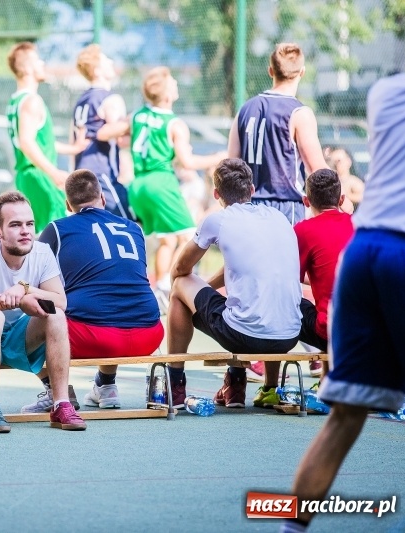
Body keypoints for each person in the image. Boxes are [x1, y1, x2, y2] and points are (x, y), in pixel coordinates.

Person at [283, 63, 405, 533]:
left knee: (345, 417)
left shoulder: (385, 91)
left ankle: (291, 528)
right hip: (404, 250)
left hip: (365, 250)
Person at [165, 158, 301, 409]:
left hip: (243, 335)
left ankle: (174, 384)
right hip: (289, 336)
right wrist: (208, 289)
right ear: (252, 189)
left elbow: (180, 270)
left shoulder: (217, 220)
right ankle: (261, 387)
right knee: (249, 297)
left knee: (180, 286)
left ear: (216, 194)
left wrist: (193, 295)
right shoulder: (279, 217)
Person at [22, 170, 162, 411]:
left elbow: (30, 275)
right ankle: (106, 384)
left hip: (92, 337)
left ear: (68, 205)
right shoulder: (133, 228)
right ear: (103, 198)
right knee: (110, 295)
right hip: (149, 334)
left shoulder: (58, 229)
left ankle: (56, 389)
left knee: (29, 314)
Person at [0, 191, 86, 432]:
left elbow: (61, 301)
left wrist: (25, 289)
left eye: (30, 224)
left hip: (16, 339)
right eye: (15, 225)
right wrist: (17, 302)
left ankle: (61, 403)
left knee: (56, 314)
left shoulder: (42, 252)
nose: (25, 231)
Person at [119, 67, 225, 307]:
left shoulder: (137, 116)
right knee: (190, 236)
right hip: (161, 182)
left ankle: (158, 287)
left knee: (167, 240)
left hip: (137, 184)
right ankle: (170, 287)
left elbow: (110, 133)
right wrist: (217, 157)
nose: (177, 84)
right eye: (173, 82)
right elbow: (187, 162)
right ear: (167, 95)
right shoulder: (175, 124)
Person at [228, 42, 327, 226]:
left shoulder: (244, 110)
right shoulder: (299, 113)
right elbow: (317, 169)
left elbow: (232, 165)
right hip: (285, 207)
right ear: (302, 72)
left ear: (270, 71)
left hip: (248, 205)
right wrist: (341, 197)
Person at [6, 42, 86, 233]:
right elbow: (27, 142)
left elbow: (40, 142)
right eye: (37, 60)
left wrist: (73, 148)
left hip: (27, 176)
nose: (42, 63)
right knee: (58, 234)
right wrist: (53, 172)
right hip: (39, 175)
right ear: (27, 68)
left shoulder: (15, 101)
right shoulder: (31, 101)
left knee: (38, 236)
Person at [294, 169, 354, 380]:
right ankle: (327, 379)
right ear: (341, 200)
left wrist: (317, 277)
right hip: (370, 328)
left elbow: (290, 277)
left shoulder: (303, 230)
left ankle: (269, 384)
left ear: (306, 201)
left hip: (329, 331)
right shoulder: (360, 225)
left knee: (286, 303)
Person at [71, 44, 132, 219]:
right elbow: (119, 137)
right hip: (101, 173)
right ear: (97, 70)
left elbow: (74, 139)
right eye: (106, 60)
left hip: (81, 173)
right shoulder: (109, 98)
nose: (111, 62)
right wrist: (136, 122)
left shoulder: (82, 100)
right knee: (127, 225)